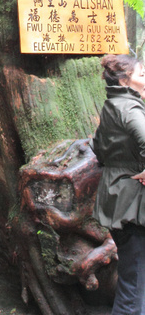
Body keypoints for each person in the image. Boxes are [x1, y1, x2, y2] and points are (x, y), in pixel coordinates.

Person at [92, 54, 145, 314]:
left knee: (133, 278)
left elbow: (98, 147)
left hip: (114, 199)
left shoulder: (111, 105)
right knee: (135, 284)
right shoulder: (130, 108)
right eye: (142, 75)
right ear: (125, 80)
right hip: (132, 205)